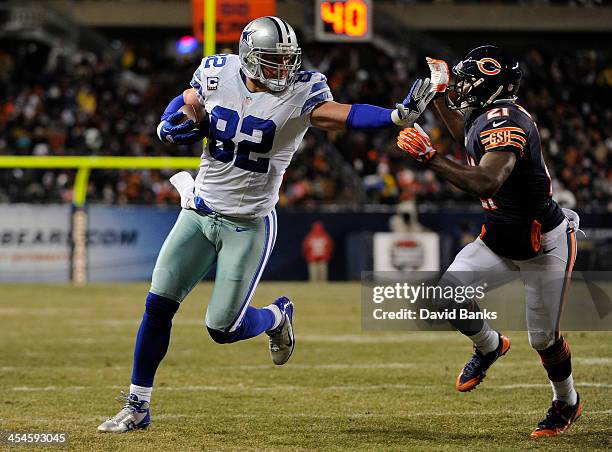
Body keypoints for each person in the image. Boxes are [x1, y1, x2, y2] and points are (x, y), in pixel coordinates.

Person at [98, 16, 434, 433]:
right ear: (248, 57)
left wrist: (395, 116)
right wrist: (166, 126)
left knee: (222, 329)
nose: (284, 69)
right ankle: (138, 404)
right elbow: (186, 100)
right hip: (199, 210)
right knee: (157, 305)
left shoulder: (301, 91)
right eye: (274, 60)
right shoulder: (217, 71)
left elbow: (341, 114)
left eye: (287, 59)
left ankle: (276, 317)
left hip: (248, 222)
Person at [397, 46, 582, 438]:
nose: (463, 89)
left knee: (543, 338)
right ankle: (489, 345)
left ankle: (566, 401)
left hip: (542, 244)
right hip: (498, 238)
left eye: (467, 82)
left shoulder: (506, 122)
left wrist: (429, 157)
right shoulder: (486, 117)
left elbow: (486, 181)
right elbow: (463, 132)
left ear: (488, 83)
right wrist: (441, 94)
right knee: (446, 295)